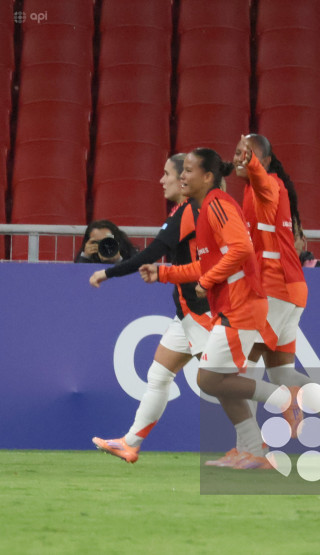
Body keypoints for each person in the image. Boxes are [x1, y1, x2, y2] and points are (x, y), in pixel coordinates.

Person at [140, 147, 287, 470]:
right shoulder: (207, 209)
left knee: (210, 380)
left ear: (208, 177)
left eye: (188, 170)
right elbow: (204, 264)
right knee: (218, 381)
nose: (182, 176)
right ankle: (253, 453)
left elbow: (240, 248)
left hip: (242, 303)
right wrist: (164, 273)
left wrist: (207, 281)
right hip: (233, 305)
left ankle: (284, 400)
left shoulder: (217, 204)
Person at [230, 134, 320, 465]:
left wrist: (250, 161)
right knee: (281, 376)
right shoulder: (255, 189)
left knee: (240, 368)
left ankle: (249, 448)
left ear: (261, 161)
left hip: (276, 289)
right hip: (287, 288)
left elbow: (260, 176)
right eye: (236, 154)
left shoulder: (267, 185)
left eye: (244, 155)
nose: (237, 158)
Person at [90, 154, 218, 463]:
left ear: (184, 180)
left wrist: (107, 273)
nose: (161, 180)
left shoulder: (186, 212)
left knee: (229, 385)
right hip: (186, 315)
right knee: (159, 374)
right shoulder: (184, 212)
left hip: (203, 314)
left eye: (167, 174)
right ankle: (130, 443)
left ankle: (309, 419)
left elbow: (151, 253)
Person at [74, 220, 138, 263]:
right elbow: (77, 275)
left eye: (107, 241)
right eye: (97, 242)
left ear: (117, 240)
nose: (104, 245)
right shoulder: (88, 255)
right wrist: (85, 257)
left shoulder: (130, 253)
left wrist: (119, 260)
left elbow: (135, 274)